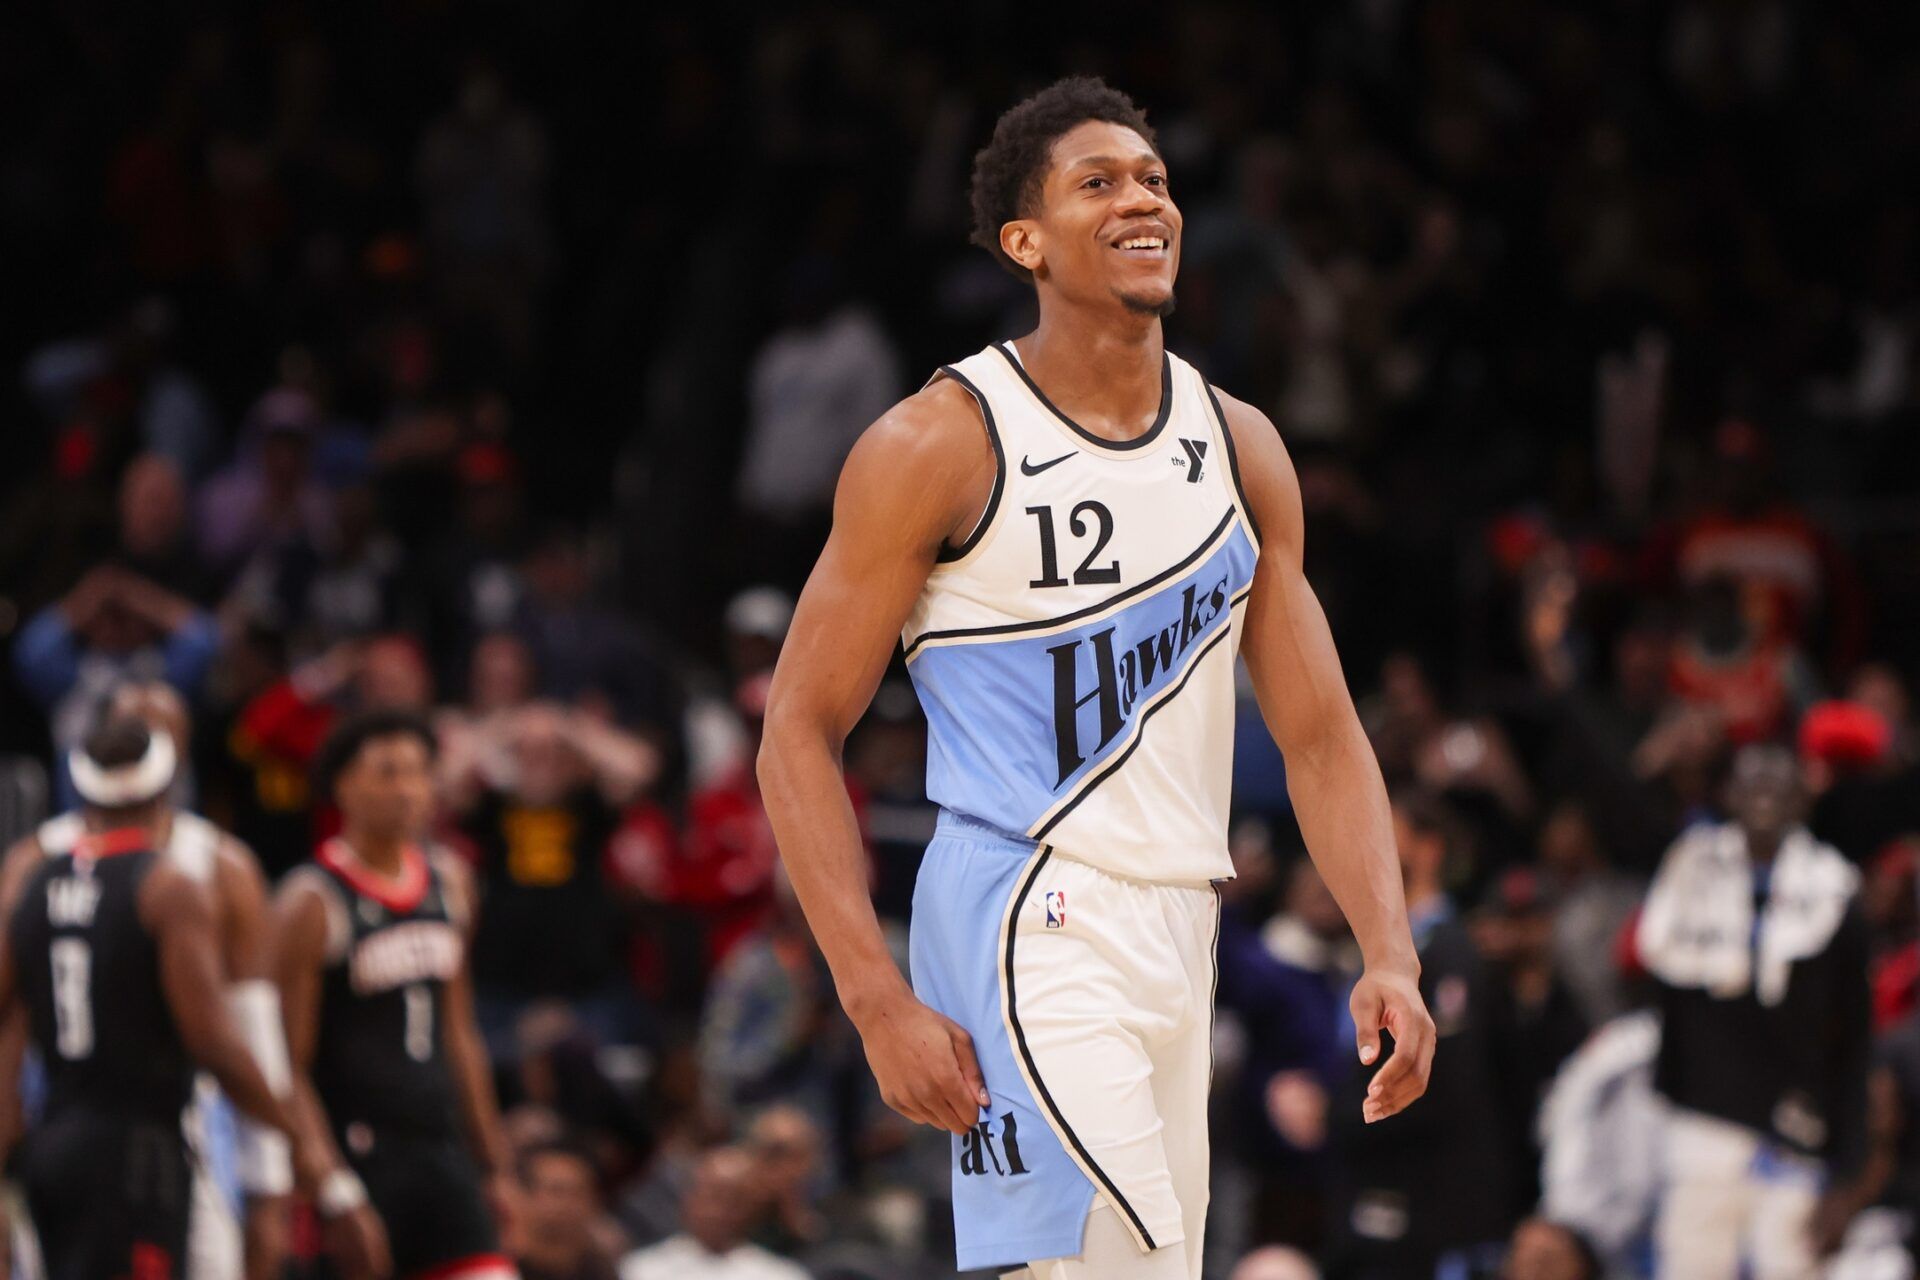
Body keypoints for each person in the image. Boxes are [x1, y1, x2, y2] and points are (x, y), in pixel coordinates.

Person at [759, 76, 1433, 1280]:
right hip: (1031, 910)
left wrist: (1390, 946)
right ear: (1025, 241)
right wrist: (872, 996)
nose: (1144, 199)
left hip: (1184, 919)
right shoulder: (941, 441)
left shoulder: (1240, 445)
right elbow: (796, 731)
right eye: (1100, 182)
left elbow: (1324, 735)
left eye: (1156, 179)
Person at [1, 680, 297, 1280]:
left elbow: (255, 1025)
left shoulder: (222, 864)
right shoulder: (54, 864)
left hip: (175, 1121)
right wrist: (307, 1150)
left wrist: (268, 1182)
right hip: (120, 1125)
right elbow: (221, 1041)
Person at [271, 709, 516, 1280]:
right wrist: (329, 1186)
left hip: (440, 1150)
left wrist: (495, 1162)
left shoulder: (450, 880)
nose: (406, 789)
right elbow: (287, 1064)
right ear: (342, 786)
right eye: (386, 773)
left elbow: (460, 1033)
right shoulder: (310, 901)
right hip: (357, 1157)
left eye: (417, 772)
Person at [1636, 743, 1873, 1278]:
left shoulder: (1836, 891)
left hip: (1797, 1126)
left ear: (1804, 799)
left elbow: (1855, 1039)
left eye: (1780, 780)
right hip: (1703, 1120)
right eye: (1752, 780)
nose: (1765, 792)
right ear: (1727, 793)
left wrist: (1847, 1172)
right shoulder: (1686, 867)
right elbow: (1660, 992)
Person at [616, 1146, 807, 1280]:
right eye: (710, 1195)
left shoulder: (781, 1275)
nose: (718, 1210)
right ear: (688, 1198)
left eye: (733, 1199)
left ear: (752, 1207)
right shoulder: (639, 1271)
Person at [512, 1137, 620, 1280]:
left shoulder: (604, 1269)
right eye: (557, 1191)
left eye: (579, 1192)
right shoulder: (498, 1268)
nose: (568, 1203)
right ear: (523, 1195)